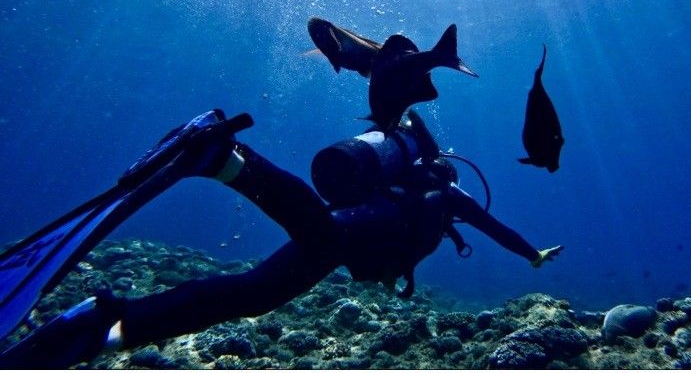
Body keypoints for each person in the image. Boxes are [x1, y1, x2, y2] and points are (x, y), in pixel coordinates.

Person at [0, 109, 563, 369]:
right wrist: (531, 254)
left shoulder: (426, 196)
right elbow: (495, 227)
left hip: (349, 233)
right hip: (349, 235)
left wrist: (532, 253)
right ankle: (222, 158)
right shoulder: (447, 199)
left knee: (250, 294)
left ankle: (112, 320)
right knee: (306, 246)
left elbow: (489, 228)